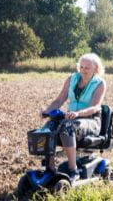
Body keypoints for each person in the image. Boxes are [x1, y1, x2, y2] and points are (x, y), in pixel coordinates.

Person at [40, 53, 107, 182]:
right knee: (48, 127)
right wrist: (46, 111)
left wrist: (78, 113)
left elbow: (95, 106)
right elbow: (59, 100)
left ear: (95, 69)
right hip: (72, 118)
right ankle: (50, 168)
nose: (83, 70)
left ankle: (73, 170)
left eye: (87, 68)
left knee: (67, 127)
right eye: (81, 67)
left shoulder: (99, 83)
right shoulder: (72, 79)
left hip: (90, 120)